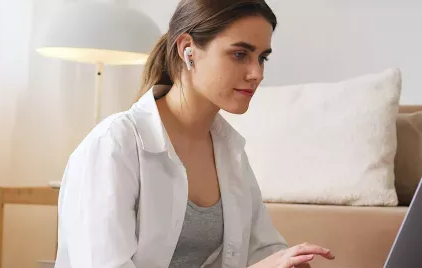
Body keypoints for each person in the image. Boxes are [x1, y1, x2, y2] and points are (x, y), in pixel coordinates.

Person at [53, 0, 336, 267]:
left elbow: (264, 251)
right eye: (240, 54)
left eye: (262, 58)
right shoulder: (113, 146)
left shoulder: (231, 151)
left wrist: (288, 260)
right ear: (188, 49)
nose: (256, 73)